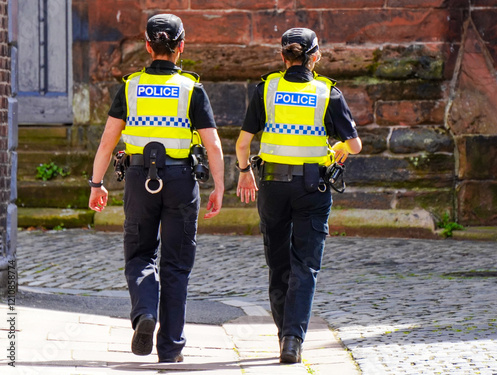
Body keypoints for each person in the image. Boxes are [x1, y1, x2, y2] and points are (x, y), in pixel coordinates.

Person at [88, 14, 224, 363]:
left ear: (148, 47)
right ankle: (170, 349)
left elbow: (107, 142)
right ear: (181, 47)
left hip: (137, 179)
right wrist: (220, 187)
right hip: (180, 180)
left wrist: (96, 183)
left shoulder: (130, 86)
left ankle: (146, 311)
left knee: (139, 255)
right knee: (176, 266)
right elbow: (213, 145)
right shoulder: (192, 89)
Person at [235, 27, 362, 363]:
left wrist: (245, 174)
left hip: (273, 186)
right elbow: (354, 145)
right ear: (315, 57)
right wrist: (335, 149)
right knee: (304, 265)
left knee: (278, 264)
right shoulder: (326, 92)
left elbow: (243, 143)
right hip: (312, 187)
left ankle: (284, 334)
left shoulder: (267, 88)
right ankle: (292, 339)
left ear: (282, 57)